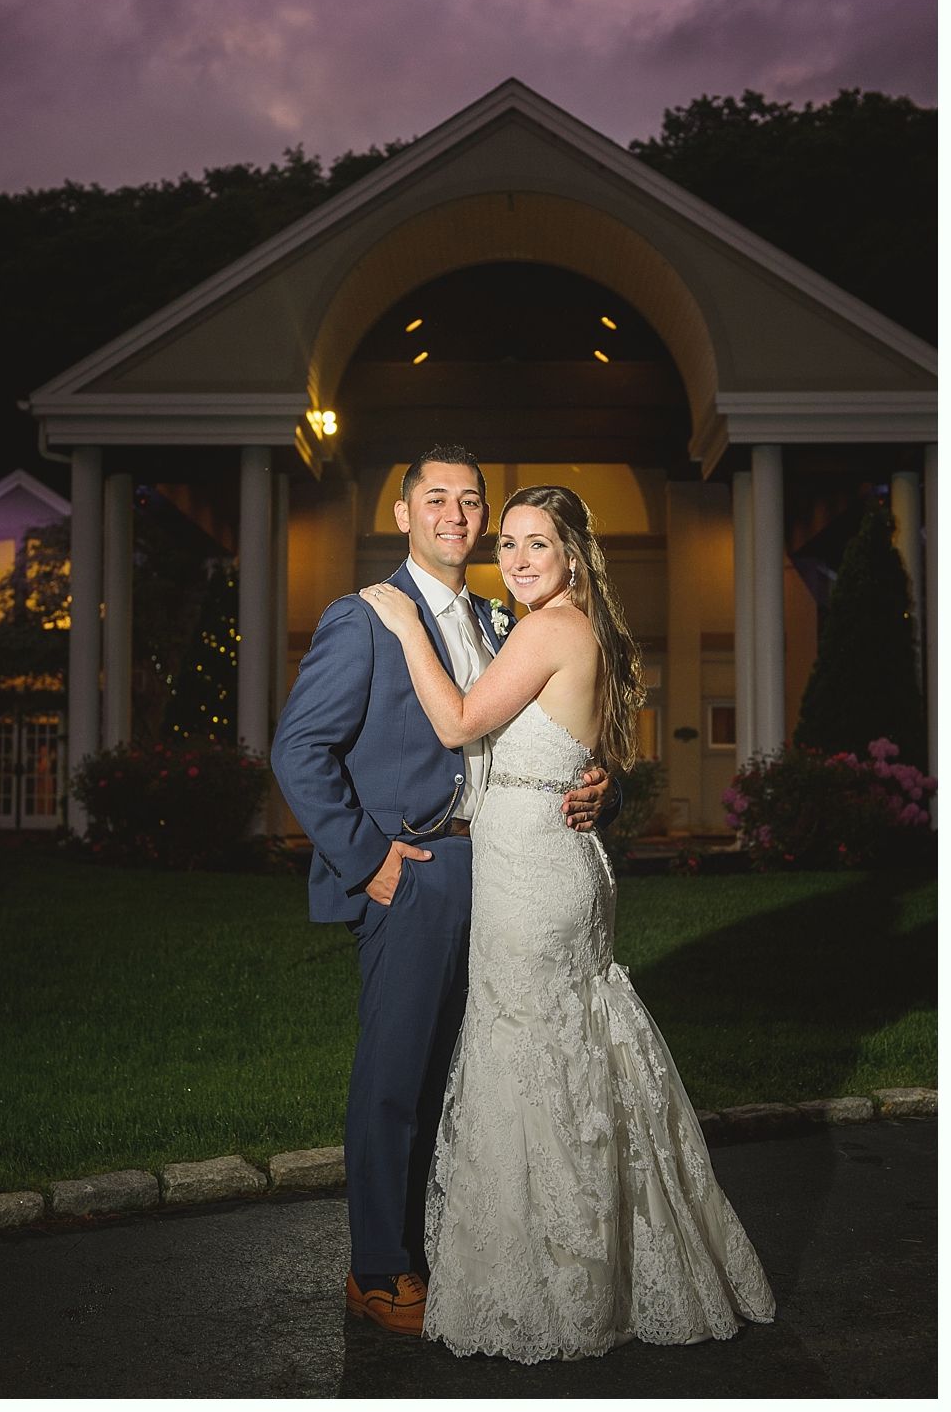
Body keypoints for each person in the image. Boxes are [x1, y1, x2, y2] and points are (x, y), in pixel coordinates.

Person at [360, 483, 776, 1362]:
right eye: (505, 543)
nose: (513, 559)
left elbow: (463, 719)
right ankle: (584, 1263)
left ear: (573, 557)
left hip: (535, 877)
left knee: (531, 1056)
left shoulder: (550, 628)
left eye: (535, 545)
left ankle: (555, 1282)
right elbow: (575, 751)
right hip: (550, 860)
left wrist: (401, 625)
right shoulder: (566, 627)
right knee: (568, 1054)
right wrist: (601, 786)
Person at [270, 448, 615, 1337]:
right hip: (413, 870)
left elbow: (536, 722)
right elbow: (298, 750)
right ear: (403, 512)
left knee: (465, 1074)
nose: (456, 514)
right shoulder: (366, 617)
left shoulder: (507, 617)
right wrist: (366, 858)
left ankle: (441, 1246)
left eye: (471, 501)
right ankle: (379, 1267)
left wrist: (590, 775)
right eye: (437, 498)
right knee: (395, 1072)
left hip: (499, 870)